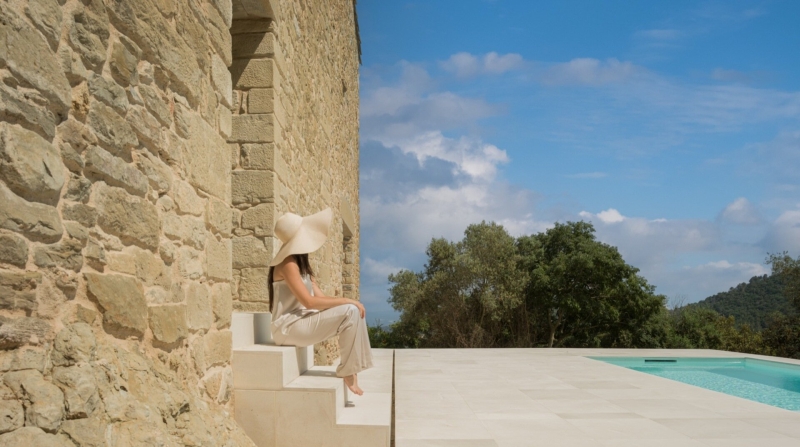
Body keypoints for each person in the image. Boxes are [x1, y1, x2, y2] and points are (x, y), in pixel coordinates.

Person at [268, 208, 373, 395]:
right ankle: (348, 371)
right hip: (287, 327)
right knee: (351, 309)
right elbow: (309, 302)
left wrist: (351, 303)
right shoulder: (287, 264)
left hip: (301, 322)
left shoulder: (302, 266)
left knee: (354, 310)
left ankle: (351, 369)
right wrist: (349, 301)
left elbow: (320, 298)